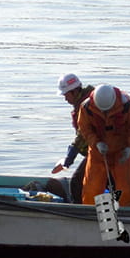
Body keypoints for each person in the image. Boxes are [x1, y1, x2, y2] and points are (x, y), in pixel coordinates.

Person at [76, 84, 130, 207]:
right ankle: (91, 212)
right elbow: (84, 128)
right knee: (92, 187)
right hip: (98, 153)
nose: (104, 112)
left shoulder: (126, 105)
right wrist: (96, 143)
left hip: (121, 152)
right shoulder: (86, 107)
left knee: (125, 189)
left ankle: (127, 212)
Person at [52, 73, 94, 202]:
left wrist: (69, 158)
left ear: (75, 91)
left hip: (101, 152)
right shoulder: (81, 105)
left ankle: (79, 212)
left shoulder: (88, 106)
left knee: (76, 183)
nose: (65, 99)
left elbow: (82, 135)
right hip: (95, 151)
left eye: (66, 95)